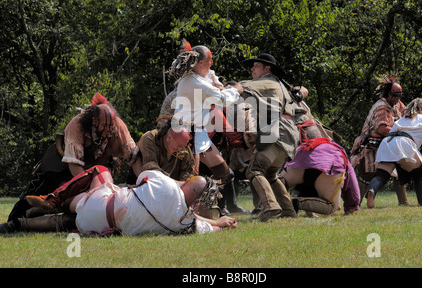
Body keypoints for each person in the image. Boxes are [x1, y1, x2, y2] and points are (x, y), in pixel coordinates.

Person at [7, 92, 139, 221]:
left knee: (88, 202)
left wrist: (142, 181)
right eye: (104, 126)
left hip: (97, 169)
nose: (109, 129)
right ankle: (14, 221)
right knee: (37, 190)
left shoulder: (118, 125)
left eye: (111, 126)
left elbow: (133, 155)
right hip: (62, 167)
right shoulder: (76, 126)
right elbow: (74, 164)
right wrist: (91, 193)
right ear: (94, 121)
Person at [1, 165, 237, 235]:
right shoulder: (184, 223)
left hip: (98, 204)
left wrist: (174, 182)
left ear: (186, 183)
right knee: (69, 221)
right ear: (197, 204)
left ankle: (52, 200)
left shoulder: (166, 183)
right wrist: (219, 222)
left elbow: (143, 175)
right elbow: (198, 222)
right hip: (93, 226)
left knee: (98, 171)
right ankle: (26, 221)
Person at [168, 41, 243, 208]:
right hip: (187, 134)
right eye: (210, 59)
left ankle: (207, 206)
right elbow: (222, 99)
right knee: (190, 176)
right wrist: (236, 90)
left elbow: (213, 80)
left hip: (196, 133)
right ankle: (192, 208)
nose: (212, 62)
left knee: (222, 172)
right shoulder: (193, 82)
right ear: (200, 63)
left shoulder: (199, 78)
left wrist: (220, 87)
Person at [240, 53, 299, 222]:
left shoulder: (266, 81)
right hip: (289, 135)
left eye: (256, 65)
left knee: (254, 169)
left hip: (277, 132)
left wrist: (218, 88)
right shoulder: (280, 85)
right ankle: (288, 211)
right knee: (271, 174)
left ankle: (271, 206)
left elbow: (240, 87)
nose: (252, 68)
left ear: (267, 69)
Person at [366, 98, 422, 208]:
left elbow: (392, 131)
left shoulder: (402, 120)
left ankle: (372, 190)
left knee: (382, 175)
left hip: (388, 143)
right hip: (405, 143)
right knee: (419, 175)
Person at [350, 75, 409, 205]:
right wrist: (401, 131)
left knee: (399, 172)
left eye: (400, 95)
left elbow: (407, 113)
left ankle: (404, 202)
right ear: (389, 94)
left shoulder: (396, 104)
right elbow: (382, 129)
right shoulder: (381, 107)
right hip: (371, 147)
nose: (398, 98)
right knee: (366, 175)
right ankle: (353, 204)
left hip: (387, 145)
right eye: (396, 95)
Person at [280, 138, 360, 216]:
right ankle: (293, 203)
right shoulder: (341, 157)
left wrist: (310, 213)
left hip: (299, 160)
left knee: (277, 186)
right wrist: (351, 207)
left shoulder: (310, 144)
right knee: (332, 206)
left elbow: (306, 190)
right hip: (327, 166)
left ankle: (271, 204)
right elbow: (353, 191)